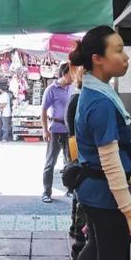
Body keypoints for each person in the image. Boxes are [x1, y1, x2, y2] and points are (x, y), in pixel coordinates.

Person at [67, 25, 131, 260]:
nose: (125, 57)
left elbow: (113, 158)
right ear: (97, 59)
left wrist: (129, 175)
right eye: (119, 51)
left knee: (95, 250)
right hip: (104, 196)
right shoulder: (100, 102)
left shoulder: (97, 90)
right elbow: (111, 164)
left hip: (95, 190)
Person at [41, 63, 73, 203]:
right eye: (72, 72)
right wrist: (44, 130)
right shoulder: (51, 89)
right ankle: (46, 192)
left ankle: (70, 190)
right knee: (50, 163)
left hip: (70, 130)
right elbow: (43, 110)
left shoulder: (73, 88)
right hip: (55, 130)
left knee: (70, 162)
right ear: (65, 73)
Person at [65, 63, 87, 260]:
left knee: (77, 192)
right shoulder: (78, 100)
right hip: (79, 151)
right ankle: (79, 236)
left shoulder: (76, 98)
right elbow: (74, 131)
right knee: (80, 192)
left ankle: (75, 228)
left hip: (77, 150)